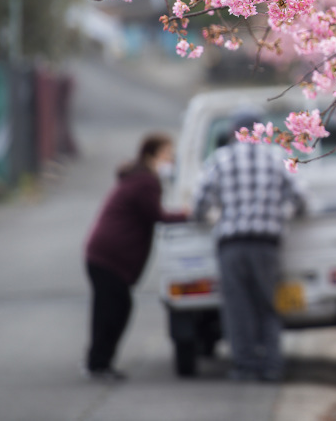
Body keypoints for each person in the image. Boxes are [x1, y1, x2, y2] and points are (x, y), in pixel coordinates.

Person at [193, 109, 305, 382]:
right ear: (261, 130)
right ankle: (272, 366)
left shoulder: (220, 159)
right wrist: (286, 214)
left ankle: (245, 367)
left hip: (232, 245)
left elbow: (200, 204)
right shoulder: (277, 158)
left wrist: (211, 215)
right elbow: (301, 198)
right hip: (267, 244)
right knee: (267, 305)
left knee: (238, 308)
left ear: (234, 131)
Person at [84, 133, 187, 381]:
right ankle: (99, 363)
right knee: (114, 310)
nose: (171, 160)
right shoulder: (145, 182)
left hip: (101, 254)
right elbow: (157, 215)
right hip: (110, 257)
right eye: (166, 155)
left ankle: (98, 362)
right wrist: (188, 214)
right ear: (151, 155)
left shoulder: (137, 178)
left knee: (109, 309)